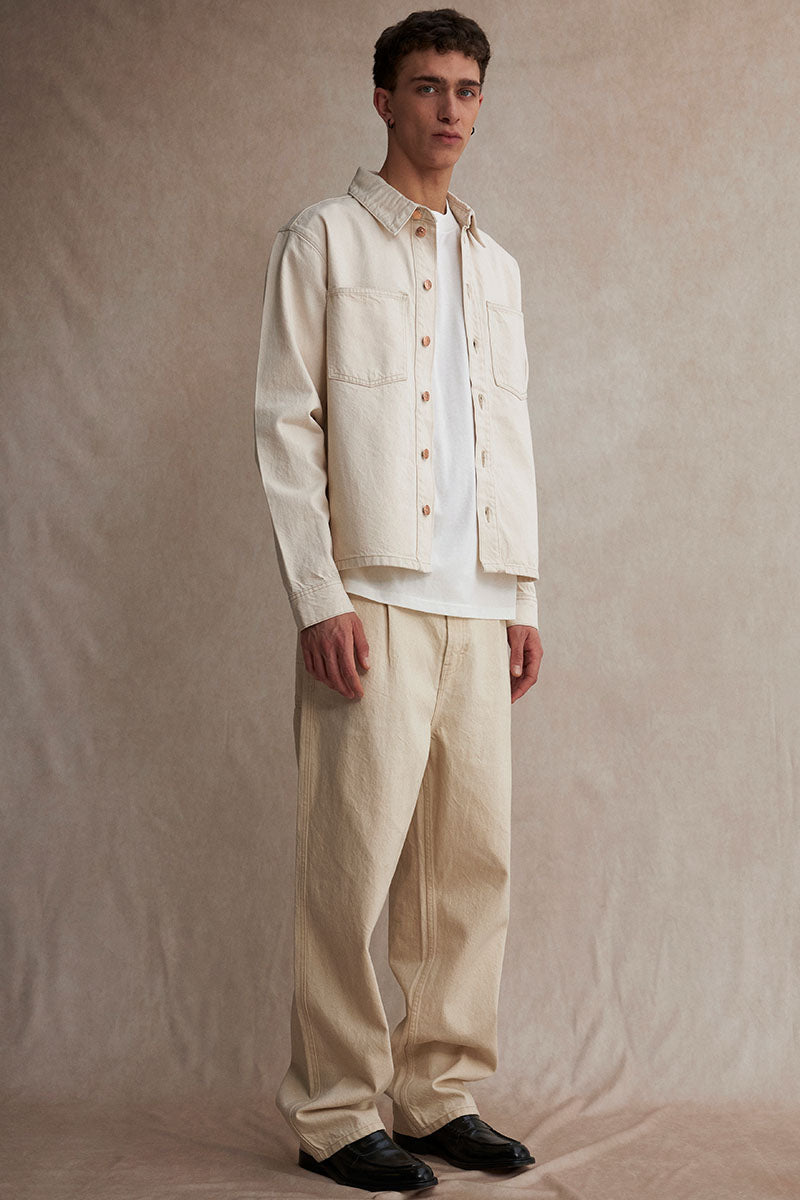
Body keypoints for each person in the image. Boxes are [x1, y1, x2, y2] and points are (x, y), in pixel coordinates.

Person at [254, 8, 543, 1192]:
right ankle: (332, 1112)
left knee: (467, 869)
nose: (448, 110)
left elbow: (505, 435)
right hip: (367, 596)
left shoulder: (496, 266)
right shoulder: (322, 238)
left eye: (466, 90)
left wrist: (522, 590)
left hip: (477, 602)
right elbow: (285, 421)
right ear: (383, 100)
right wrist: (315, 595)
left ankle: (436, 1095)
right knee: (351, 865)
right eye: (426, 87)